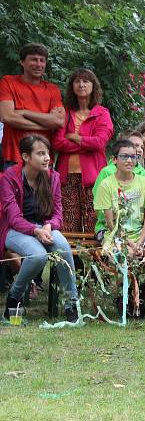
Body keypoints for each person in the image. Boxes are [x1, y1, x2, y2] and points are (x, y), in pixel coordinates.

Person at [0, 135, 78, 321]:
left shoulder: (53, 177)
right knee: (37, 255)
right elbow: (13, 218)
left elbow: (58, 212)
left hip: (44, 227)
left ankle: (71, 304)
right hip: (13, 229)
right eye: (40, 154)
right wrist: (36, 231)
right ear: (26, 157)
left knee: (63, 247)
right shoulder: (8, 178)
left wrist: (49, 226)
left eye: (47, 153)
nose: (47, 158)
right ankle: (14, 299)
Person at [93, 140, 145, 318]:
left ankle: (138, 295)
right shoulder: (107, 184)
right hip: (116, 234)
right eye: (124, 156)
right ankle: (123, 297)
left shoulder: (144, 183)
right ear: (114, 160)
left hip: (140, 234)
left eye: (133, 156)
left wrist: (140, 242)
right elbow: (110, 223)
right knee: (121, 254)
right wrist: (129, 243)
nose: (129, 160)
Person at [51, 68, 114, 233]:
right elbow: (57, 143)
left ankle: (95, 259)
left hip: (94, 176)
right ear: (72, 86)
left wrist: (76, 137)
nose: (81, 84)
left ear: (94, 86)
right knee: (68, 223)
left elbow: (100, 143)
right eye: (77, 81)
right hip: (67, 176)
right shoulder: (65, 112)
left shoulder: (102, 113)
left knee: (94, 221)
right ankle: (71, 259)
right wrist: (87, 144)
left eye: (86, 81)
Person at [0, 43, 65, 167]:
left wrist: (24, 112)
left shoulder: (52, 89)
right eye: (34, 60)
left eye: (42, 61)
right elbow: (7, 117)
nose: (39, 64)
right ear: (22, 62)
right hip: (14, 157)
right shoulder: (8, 82)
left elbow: (59, 121)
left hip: (44, 159)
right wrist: (46, 125)